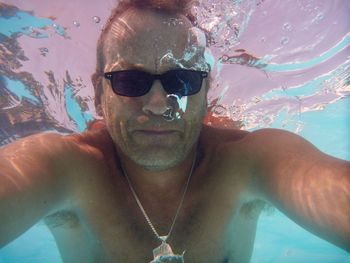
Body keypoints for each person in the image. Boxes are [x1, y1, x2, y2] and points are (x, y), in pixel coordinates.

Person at [0, 0, 349, 262]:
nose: (156, 104)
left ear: (206, 89)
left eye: (181, 81)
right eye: (129, 80)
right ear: (97, 92)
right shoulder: (66, 168)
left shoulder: (247, 162)